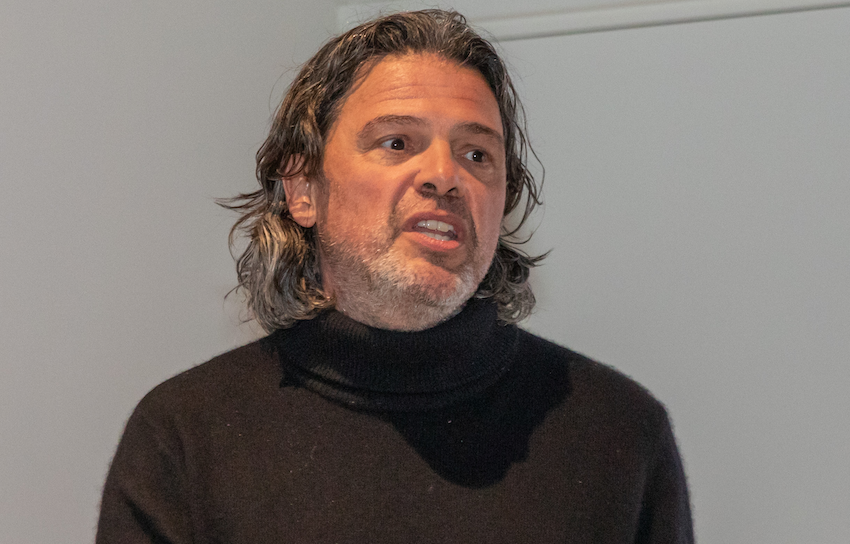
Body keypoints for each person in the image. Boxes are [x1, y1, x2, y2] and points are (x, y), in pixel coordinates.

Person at [97, 9, 693, 543]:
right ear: (302, 189)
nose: (444, 175)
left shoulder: (619, 432)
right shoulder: (185, 437)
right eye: (398, 142)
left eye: (477, 154)